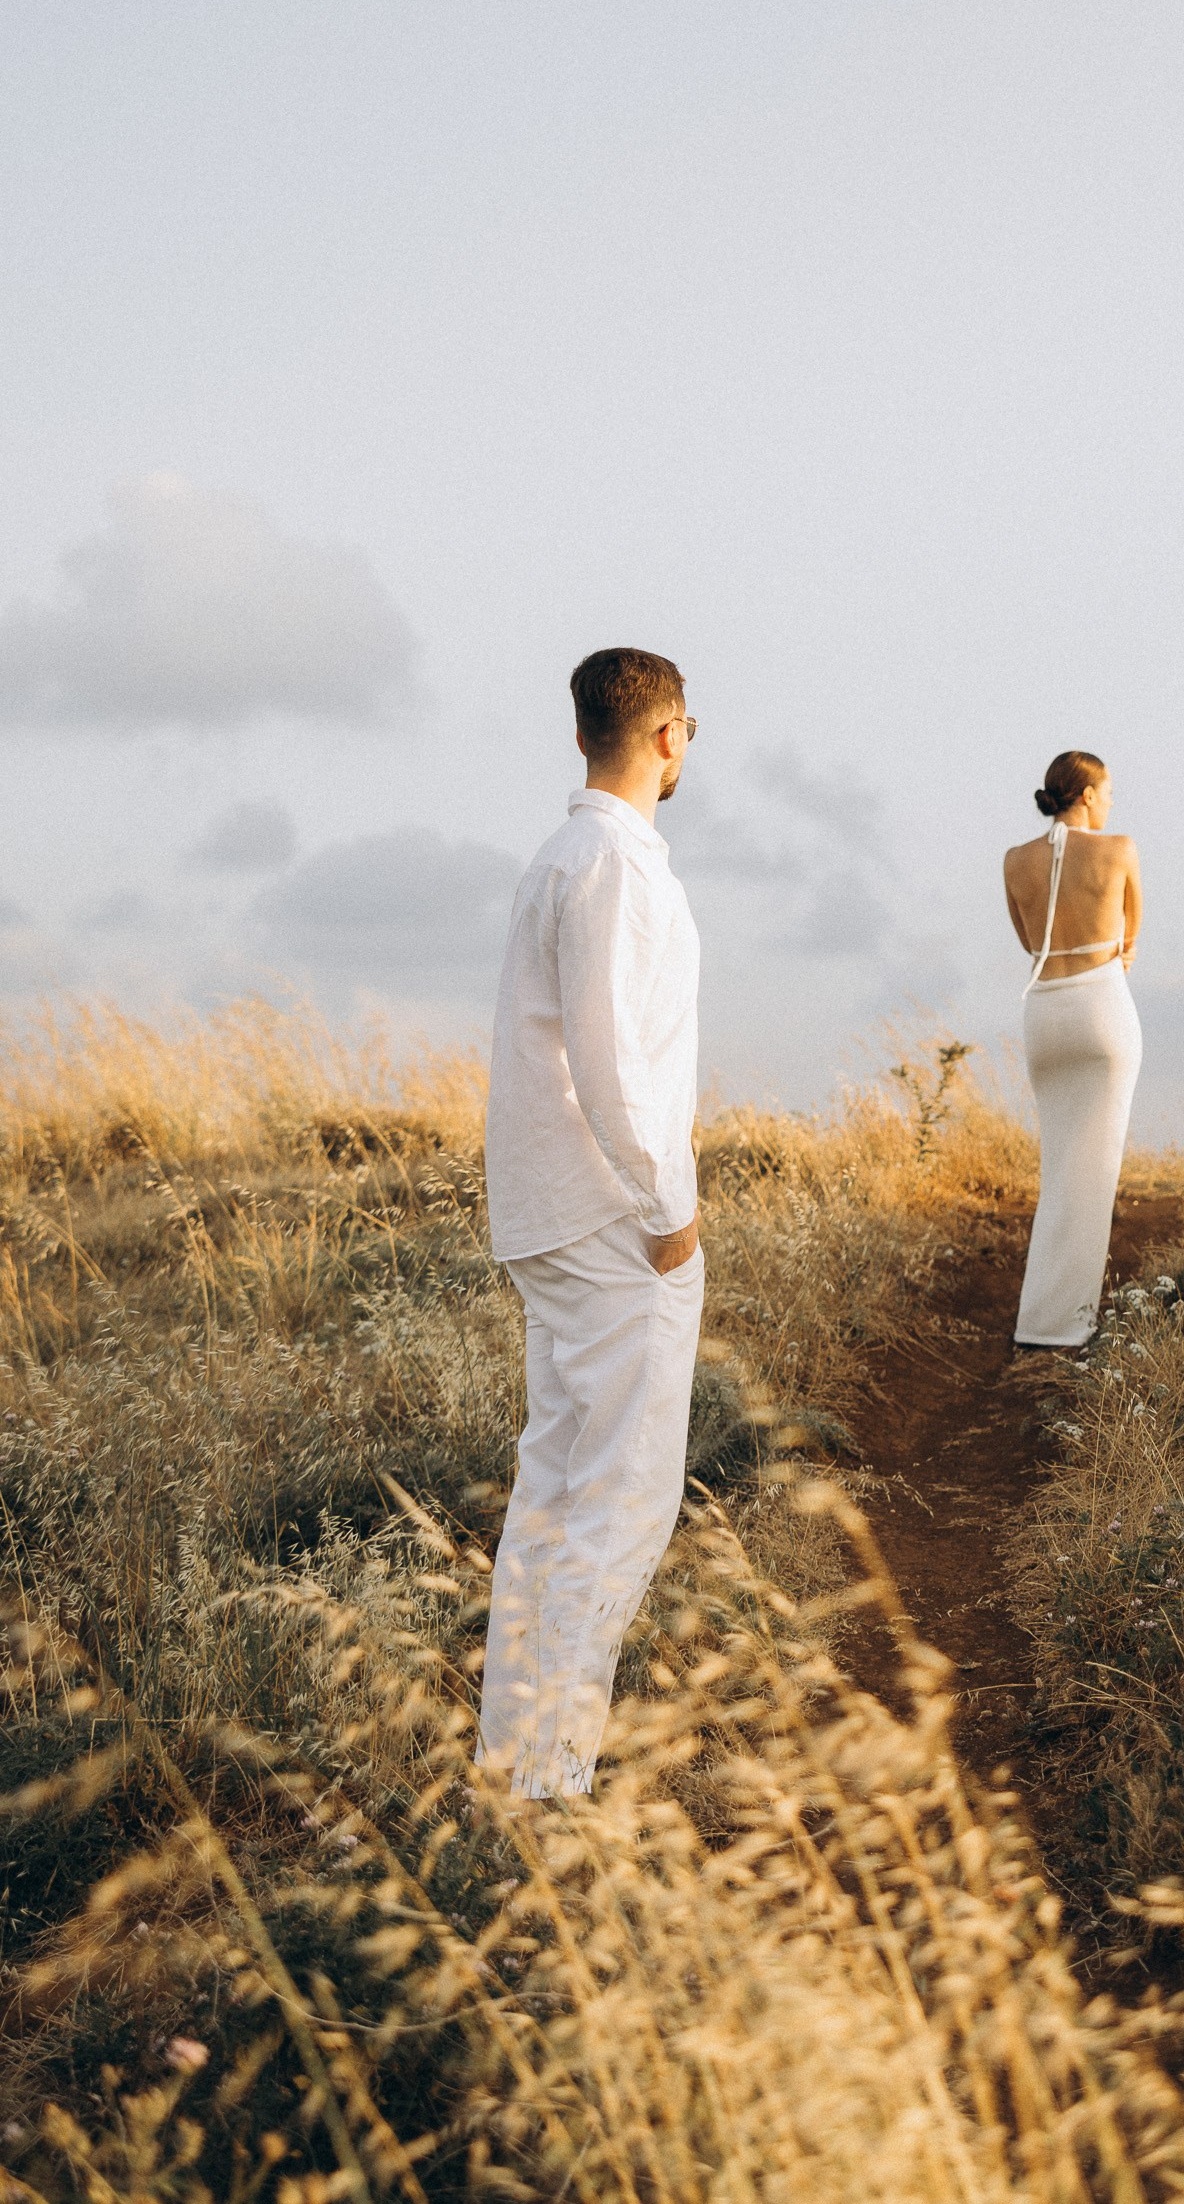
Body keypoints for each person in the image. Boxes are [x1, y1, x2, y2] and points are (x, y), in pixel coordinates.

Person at [478, 646, 705, 1801]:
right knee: (619, 1500)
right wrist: (671, 1211)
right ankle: (551, 1779)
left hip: (546, 1210)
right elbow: (613, 1062)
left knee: (558, 1490)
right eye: (689, 733)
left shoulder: (562, 855)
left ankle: (513, 1762)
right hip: (608, 1217)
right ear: (667, 737)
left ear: (581, 734)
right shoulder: (614, 864)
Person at [1002, 750, 1143, 1346]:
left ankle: (1041, 1320)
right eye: (1107, 791)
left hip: (1044, 1012)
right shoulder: (1119, 849)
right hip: (1100, 1007)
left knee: (1060, 1168)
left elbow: (1027, 938)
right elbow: (1130, 938)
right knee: (1096, 1169)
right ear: (1086, 794)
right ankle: (1069, 1326)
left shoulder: (1014, 861)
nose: (1111, 802)